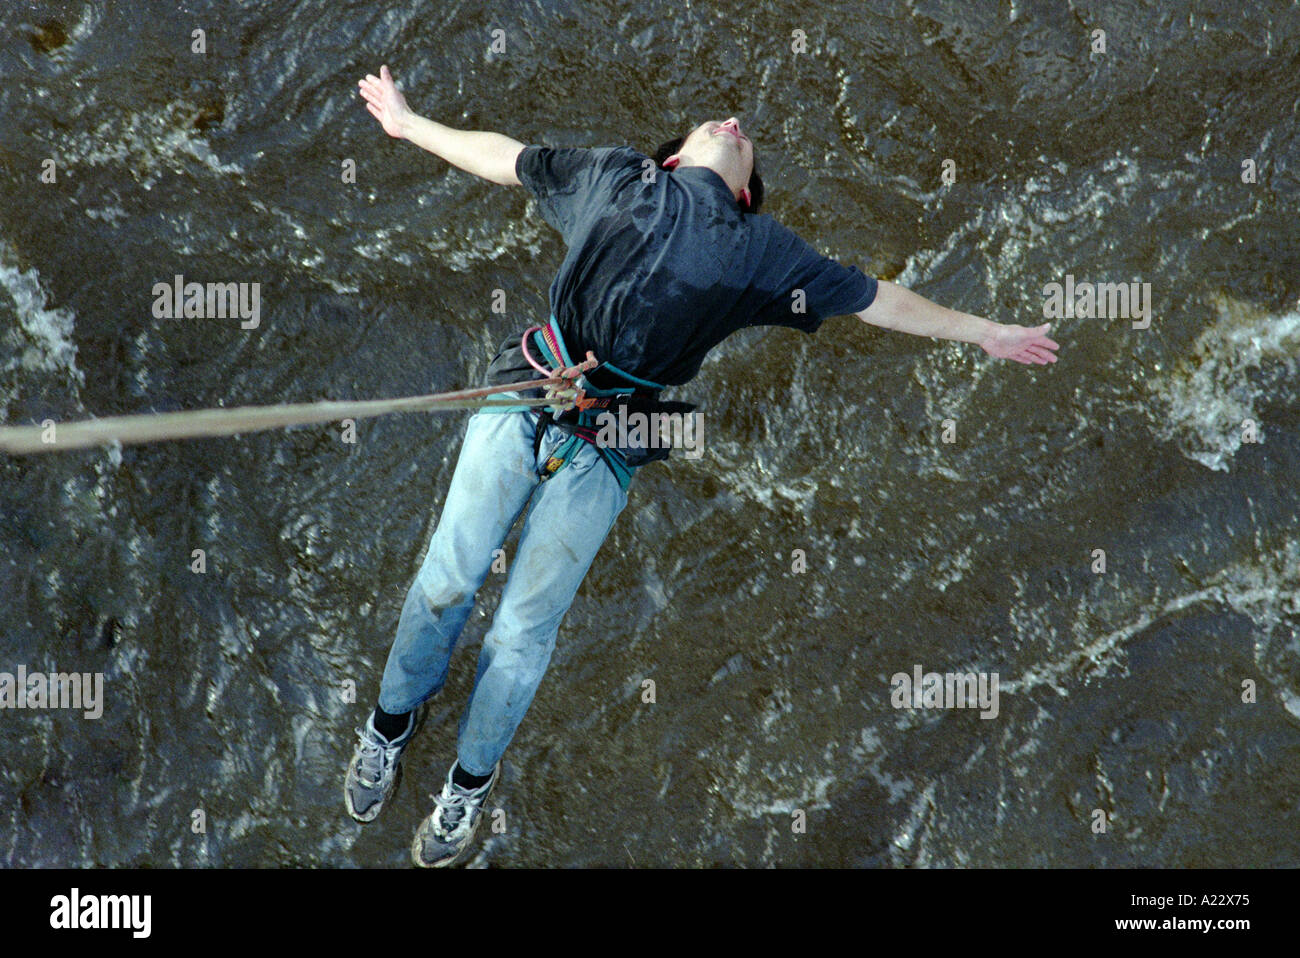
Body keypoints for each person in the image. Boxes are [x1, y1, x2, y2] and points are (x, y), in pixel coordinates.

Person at [344, 65, 1060, 868]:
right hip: (527, 386)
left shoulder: (764, 253)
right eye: (717, 124)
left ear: (747, 193)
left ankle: (468, 783)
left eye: (747, 143)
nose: (733, 122)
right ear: (676, 156)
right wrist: (411, 124)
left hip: (617, 435)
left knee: (520, 632)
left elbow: (879, 300)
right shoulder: (615, 174)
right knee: (448, 576)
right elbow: (505, 156)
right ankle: (391, 724)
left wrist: (987, 333)